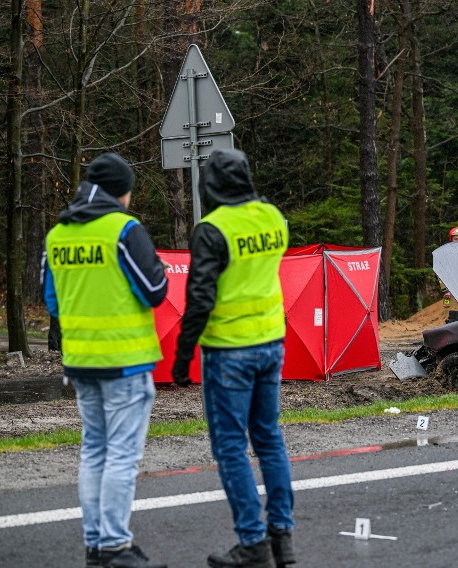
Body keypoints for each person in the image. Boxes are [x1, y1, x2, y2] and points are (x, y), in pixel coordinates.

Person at [42, 152, 168, 568]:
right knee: (121, 455)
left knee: (93, 450)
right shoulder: (123, 229)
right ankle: (115, 546)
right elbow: (154, 289)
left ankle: (96, 544)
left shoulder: (57, 235)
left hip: (80, 363)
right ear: (122, 192)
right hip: (125, 362)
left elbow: (51, 302)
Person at [172, 149, 296, 568]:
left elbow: (200, 295)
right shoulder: (274, 218)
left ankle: (252, 543)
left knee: (229, 446)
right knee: (269, 438)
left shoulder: (212, 229)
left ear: (212, 186)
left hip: (228, 350)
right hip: (271, 343)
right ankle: (283, 537)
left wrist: (183, 352)